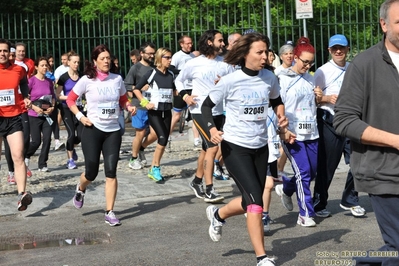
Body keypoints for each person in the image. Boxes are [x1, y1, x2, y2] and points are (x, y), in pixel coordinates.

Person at [202, 32, 292, 266]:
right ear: (244, 54)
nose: (265, 57)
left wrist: (281, 116)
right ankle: (262, 257)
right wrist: (211, 129)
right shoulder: (230, 80)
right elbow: (206, 106)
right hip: (235, 147)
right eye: (259, 52)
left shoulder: (269, 78)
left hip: (260, 147)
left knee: (248, 200)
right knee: (255, 202)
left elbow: (276, 101)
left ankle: (218, 214)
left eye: (266, 52)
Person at [333, 1, 399, 264]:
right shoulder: (363, 64)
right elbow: (344, 120)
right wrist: (395, 140)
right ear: (383, 25)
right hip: (383, 171)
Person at [67, 44, 137, 226]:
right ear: (95, 61)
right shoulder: (86, 80)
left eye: (108, 58)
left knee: (111, 172)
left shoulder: (117, 79)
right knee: (91, 172)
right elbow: (70, 99)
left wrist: (129, 106)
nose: (106, 61)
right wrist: (81, 117)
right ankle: (81, 188)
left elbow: (123, 99)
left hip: (113, 131)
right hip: (92, 130)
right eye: (102, 58)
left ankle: (109, 212)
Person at [176, 29, 233, 203]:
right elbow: (178, 80)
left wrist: (223, 84)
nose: (223, 44)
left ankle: (196, 181)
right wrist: (185, 96)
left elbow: (232, 83)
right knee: (213, 147)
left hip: (218, 111)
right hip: (199, 110)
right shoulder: (194, 63)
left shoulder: (224, 63)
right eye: (220, 40)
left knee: (206, 148)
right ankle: (209, 189)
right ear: (209, 42)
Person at [312, 34, 366, 218]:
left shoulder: (354, 69)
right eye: (334, 48)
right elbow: (314, 99)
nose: (338, 51)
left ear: (348, 49)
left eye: (342, 48)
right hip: (330, 120)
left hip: (351, 121)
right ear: (329, 50)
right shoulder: (322, 71)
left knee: (358, 163)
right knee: (327, 166)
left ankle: (350, 199)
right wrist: (327, 98)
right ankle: (319, 204)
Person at [274, 37, 322, 227]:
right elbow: (277, 107)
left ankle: (286, 187)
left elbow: (312, 105)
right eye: (305, 61)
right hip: (292, 134)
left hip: (312, 133)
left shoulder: (311, 79)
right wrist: (283, 130)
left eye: (311, 62)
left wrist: (319, 97)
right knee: (303, 173)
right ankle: (305, 214)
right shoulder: (283, 79)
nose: (307, 65)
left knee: (311, 172)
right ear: (295, 57)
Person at [134, 48, 176, 181]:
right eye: (167, 57)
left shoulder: (171, 74)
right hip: (154, 112)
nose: (170, 60)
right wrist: (145, 102)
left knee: (161, 137)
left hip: (167, 111)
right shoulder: (151, 73)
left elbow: (174, 91)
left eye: (170, 57)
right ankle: (155, 168)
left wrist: (188, 95)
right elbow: (136, 89)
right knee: (162, 138)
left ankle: (143, 150)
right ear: (159, 58)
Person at [0, 38, 33, 211]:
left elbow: (24, 84)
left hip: (13, 117)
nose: (2, 54)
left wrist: (26, 97)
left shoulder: (18, 69)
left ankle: (22, 195)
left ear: (9, 52)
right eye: (0, 51)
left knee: (19, 155)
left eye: (5, 51)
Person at [124, 42, 158, 170]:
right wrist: (138, 87)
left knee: (155, 133)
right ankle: (133, 158)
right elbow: (126, 84)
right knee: (141, 132)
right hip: (139, 105)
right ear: (142, 54)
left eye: (153, 54)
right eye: (149, 53)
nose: (152, 56)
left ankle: (141, 149)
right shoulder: (136, 68)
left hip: (153, 105)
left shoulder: (155, 68)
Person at [26, 56, 57, 172]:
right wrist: (34, 107)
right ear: (36, 67)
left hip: (47, 115)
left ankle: (42, 163)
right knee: (36, 141)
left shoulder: (49, 81)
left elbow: (53, 96)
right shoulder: (32, 81)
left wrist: (52, 107)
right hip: (34, 115)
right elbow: (25, 98)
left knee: (48, 138)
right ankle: (26, 155)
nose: (45, 67)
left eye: (46, 65)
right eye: (42, 65)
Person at [169, 35, 201, 147]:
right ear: (181, 44)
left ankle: (196, 139)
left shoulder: (193, 56)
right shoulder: (177, 56)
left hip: (193, 87)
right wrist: (183, 71)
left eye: (191, 43)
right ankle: (167, 136)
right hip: (182, 88)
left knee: (195, 113)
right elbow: (170, 69)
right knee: (177, 114)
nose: (190, 45)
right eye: (187, 43)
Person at [56, 51, 82, 169]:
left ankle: (71, 147)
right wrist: (70, 97)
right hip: (66, 107)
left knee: (81, 135)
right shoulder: (64, 77)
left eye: (78, 62)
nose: (76, 64)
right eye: (74, 62)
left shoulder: (82, 77)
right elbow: (57, 95)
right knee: (71, 134)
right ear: (69, 62)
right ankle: (70, 159)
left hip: (80, 108)